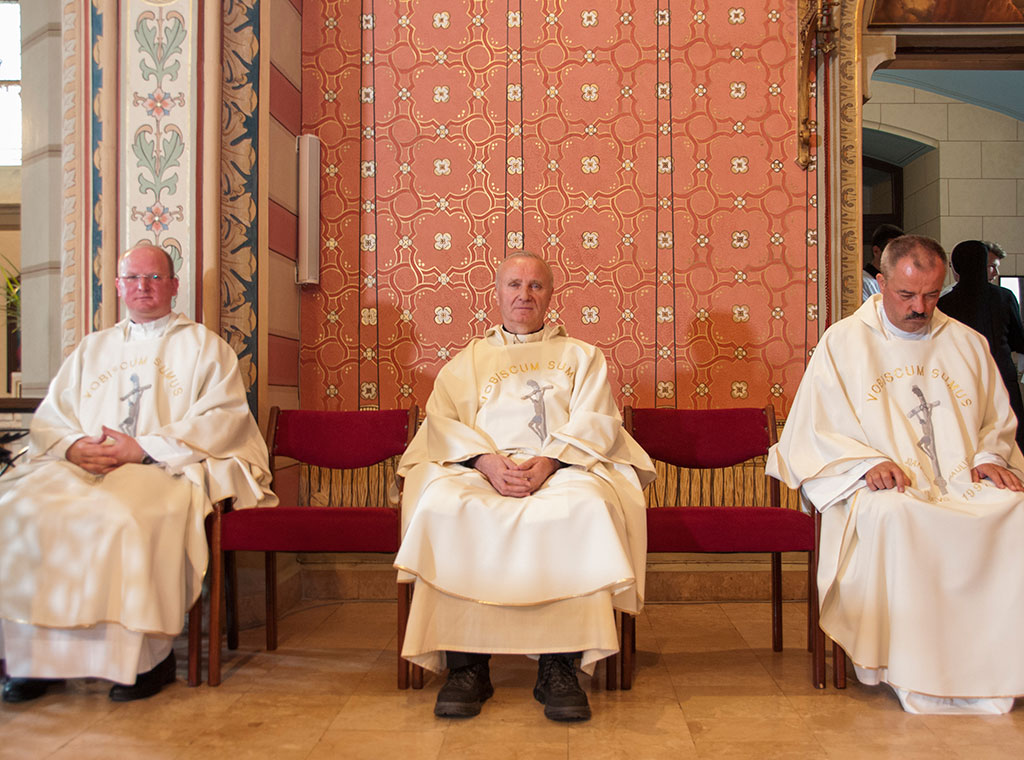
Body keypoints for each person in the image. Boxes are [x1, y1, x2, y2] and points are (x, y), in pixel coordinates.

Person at [0, 245, 276, 703]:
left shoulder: (204, 348)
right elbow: (53, 416)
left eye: (154, 277)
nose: (142, 287)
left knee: (123, 518)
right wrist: (72, 446)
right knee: (18, 510)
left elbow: (223, 419)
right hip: (81, 467)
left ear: (174, 285)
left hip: (160, 468)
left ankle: (145, 660)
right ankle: (35, 660)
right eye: (132, 278)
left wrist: (142, 447)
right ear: (117, 286)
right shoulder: (93, 349)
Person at [767, 234, 1024, 715]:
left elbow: (996, 420)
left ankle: (998, 668)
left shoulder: (968, 343)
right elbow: (812, 430)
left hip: (960, 483)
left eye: (931, 295)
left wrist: (991, 454)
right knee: (898, 517)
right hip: (882, 486)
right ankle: (908, 667)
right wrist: (864, 462)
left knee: (1015, 509)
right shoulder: (844, 343)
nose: (920, 307)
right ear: (881, 283)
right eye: (907, 295)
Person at [394, 252, 654, 722]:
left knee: (587, 506)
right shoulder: (470, 360)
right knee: (443, 503)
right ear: (497, 293)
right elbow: (441, 423)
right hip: (482, 468)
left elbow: (597, 421)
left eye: (535, 285)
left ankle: (560, 667)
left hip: (562, 467)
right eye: (514, 284)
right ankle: (467, 667)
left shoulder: (581, 356)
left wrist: (551, 461)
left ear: (551, 294)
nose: (524, 295)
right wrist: (485, 461)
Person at [939, 240, 1024, 450]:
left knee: (971, 442)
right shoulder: (1004, 297)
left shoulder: (944, 303)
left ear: (956, 267)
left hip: (962, 381)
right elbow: (1018, 340)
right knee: (1010, 442)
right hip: (1002, 378)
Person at [862, 224, 903, 302]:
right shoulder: (863, 282)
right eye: (893, 251)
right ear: (876, 251)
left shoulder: (901, 280)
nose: (899, 256)